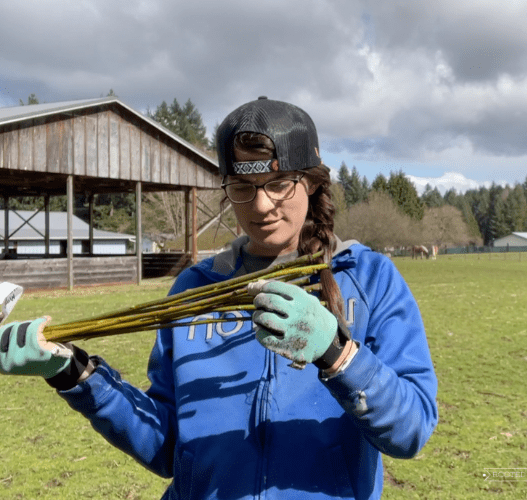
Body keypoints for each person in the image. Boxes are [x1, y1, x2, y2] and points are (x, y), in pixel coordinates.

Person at [0, 97, 438, 499]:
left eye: (280, 183)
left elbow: (411, 429)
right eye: (243, 188)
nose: (262, 206)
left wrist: (338, 355)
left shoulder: (371, 279)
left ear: (311, 182)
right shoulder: (195, 290)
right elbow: (168, 447)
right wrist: (75, 374)